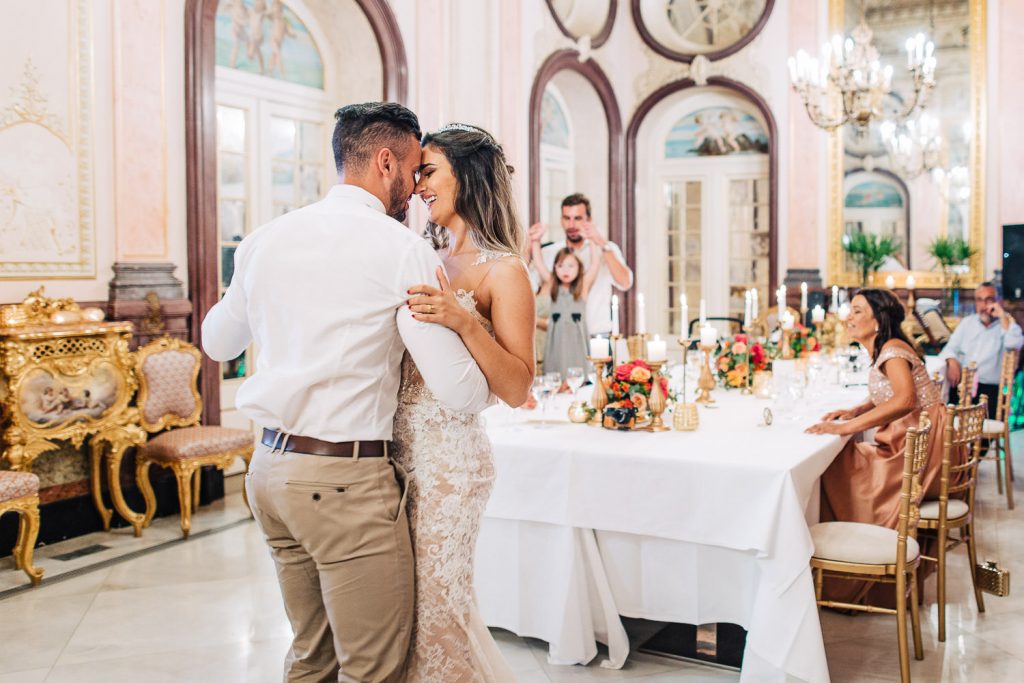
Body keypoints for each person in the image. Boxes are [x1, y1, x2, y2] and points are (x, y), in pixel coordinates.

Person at [202, 102, 494, 682]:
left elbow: (216, 341)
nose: (415, 189)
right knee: (372, 669)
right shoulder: (398, 248)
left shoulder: (264, 239)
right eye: (413, 170)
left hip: (267, 472)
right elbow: (459, 393)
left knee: (312, 657)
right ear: (386, 161)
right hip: (342, 484)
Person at [398, 122, 534, 681]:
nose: (418, 185)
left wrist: (464, 321)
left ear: (469, 176)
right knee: (400, 614)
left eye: (428, 171)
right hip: (393, 452)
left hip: (451, 464)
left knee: (438, 616)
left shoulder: (505, 271)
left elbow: (519, 386)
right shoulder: (414, 256)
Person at [807, 289, 948, 604]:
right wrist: (856, 411)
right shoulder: (890, 348)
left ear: (878, 318)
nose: (848, 318)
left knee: (839, 463)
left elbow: (905, 399)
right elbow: (888, 392)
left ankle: (847, 565)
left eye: (857, 311)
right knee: (843, 455)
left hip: (918, 448)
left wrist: (847, 428)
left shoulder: (893, 352)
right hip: (915, 439)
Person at [527, 193, 632, 336]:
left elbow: (625, 283)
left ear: (589, 220)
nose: (571, 225)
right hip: (561, 335)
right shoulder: (550, 252)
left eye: (577, 218)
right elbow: (528, 286)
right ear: (561, 220)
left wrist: (600, 242)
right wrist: (532, 242)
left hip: (598, 336)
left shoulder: (606, 249)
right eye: (566, 218)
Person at [940, 281, 1023, 412]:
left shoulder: (1008, 326)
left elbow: (1013, 343)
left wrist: (1002, 316)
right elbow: (949, 348)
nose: (984, 305)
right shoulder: (967, 323)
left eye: (989, 299)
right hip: (963, 386)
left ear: (998, 301)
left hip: (990, 392)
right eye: (979, 300)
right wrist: (951, 360)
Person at [531, 241, 599, 380]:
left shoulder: (582, 287)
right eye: (560, 266)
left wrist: (592, 240)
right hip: (557, 341)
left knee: (579, 377)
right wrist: (536, 240)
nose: (565, 270)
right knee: (556, 377)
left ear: (579, 267)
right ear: (555, 268)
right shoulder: (553, 285)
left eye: (570, 266)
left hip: (577, 342)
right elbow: (538, 262)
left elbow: (595, 265)